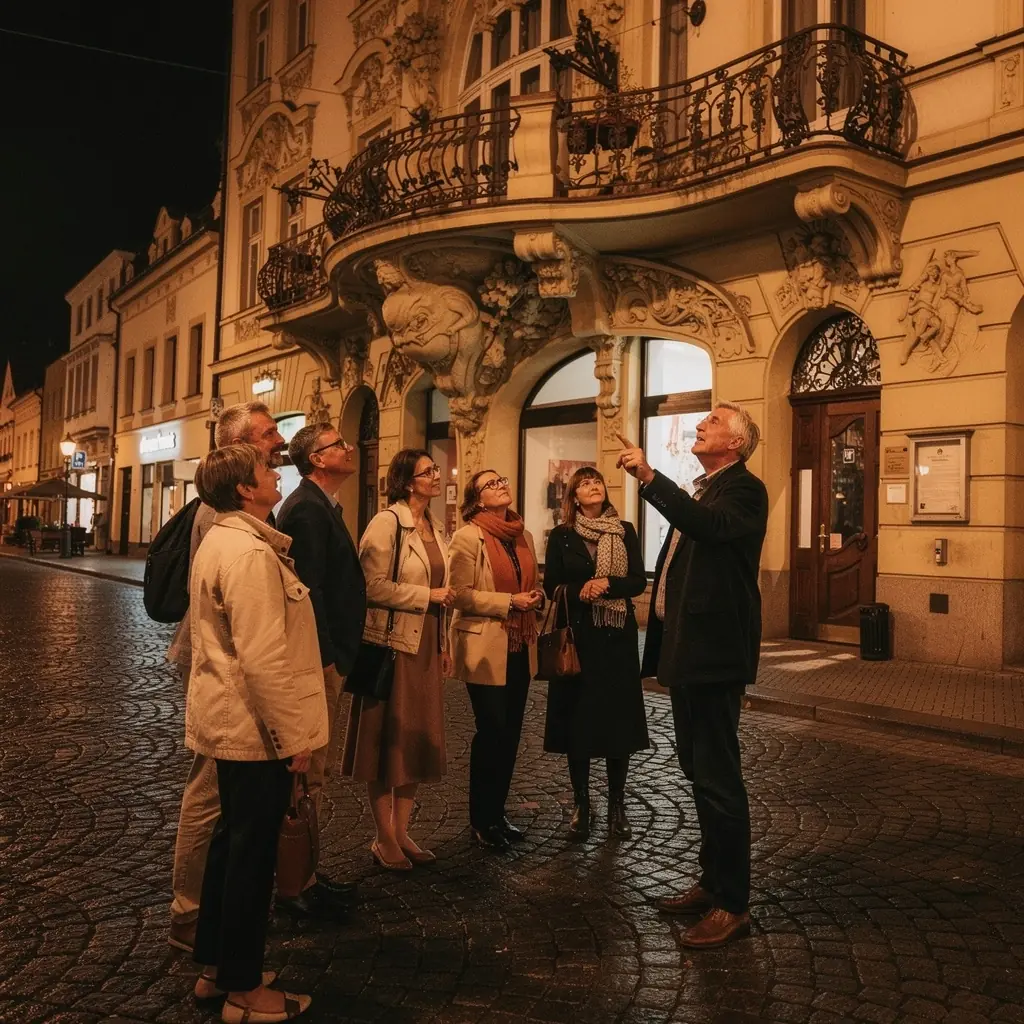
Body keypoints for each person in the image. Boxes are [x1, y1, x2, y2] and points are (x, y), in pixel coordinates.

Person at [617, 404, 768, 950]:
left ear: (735, 442)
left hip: (715, 653)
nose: (701, 424)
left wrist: (649, 477)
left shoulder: (744, 490)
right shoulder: (706, 487)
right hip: (690, 650)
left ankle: (734, 904)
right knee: (697, 770)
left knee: (718, 777)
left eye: (713, 420)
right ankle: (712, 881)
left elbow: (705, 528)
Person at [186, 443, 323, 1021]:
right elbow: (263, 657)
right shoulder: (246, 553)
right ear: (245, 488)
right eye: (268, 470)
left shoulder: (228, 540)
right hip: (254, 726)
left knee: (231, 844)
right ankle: (245, 991)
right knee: (250, 855)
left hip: (233, 720)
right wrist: (293, 736)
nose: (277, 475)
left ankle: (217, 967)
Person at [167, 402, 289, 953]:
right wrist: (292, 730)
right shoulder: (222, 519)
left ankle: (211, 917)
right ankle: (194, 914)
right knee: (212, 794)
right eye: (269, 436)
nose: (278, 442)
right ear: (240, 447)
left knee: (222, 800)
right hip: (227, 672)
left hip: (228, 665)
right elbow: (244, 626)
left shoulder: (238, 509)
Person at [342, 449, 454, 870]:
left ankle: (403, 830)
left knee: (415, 742)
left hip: (425, 644)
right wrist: (427, 596)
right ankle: (383, 836)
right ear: (408, 482)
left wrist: (443, 645)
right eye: (428, 471)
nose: (437, 475)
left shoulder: (435, 526)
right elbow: (369, 585)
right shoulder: (387, 523)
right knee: (385, 741)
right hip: (392, 645)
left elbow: (444, 592)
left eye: (435, 469)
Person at [276, 422, 366, 916]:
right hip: (319, 658)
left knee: (316, 771)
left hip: (328, 653)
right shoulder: (307, 510)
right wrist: (329, 657)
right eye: (337, 444)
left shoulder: (321, 505)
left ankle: (305, 870)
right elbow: (308, 593)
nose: (348, 448)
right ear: (316, 460)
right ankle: (297, 882)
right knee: (310, 770)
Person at [541, 467, 650, 841]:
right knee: (579, 721)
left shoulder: (625, 530)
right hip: (579, 639)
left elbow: (637, 579)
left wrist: (608, 584)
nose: (593, 486)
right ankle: (582, 803)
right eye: (585, 483)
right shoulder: (561, 536)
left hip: (617, 637)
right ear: (573, 496)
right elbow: (551, 584)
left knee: (619, 722)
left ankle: (617, 805)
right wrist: (579, 591)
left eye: (597, 481)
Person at [448, 470, 544, 851]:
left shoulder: (523, 534)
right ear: (476, 499)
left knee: (511, 734)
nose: (500, 485)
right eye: (490, 484)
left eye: (501, 480)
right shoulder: (468, 536)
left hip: (519, 643)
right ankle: (481, 819)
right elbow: (459, 594)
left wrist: (532, 596)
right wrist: (508, 602)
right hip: (485, 644)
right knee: (492, 730)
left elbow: (527, 579)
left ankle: (497, 812)